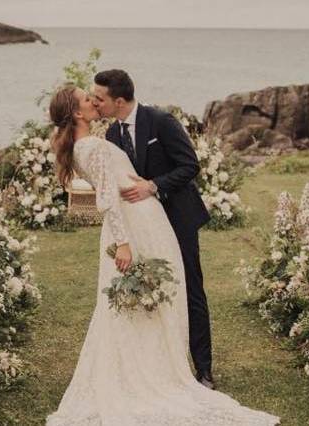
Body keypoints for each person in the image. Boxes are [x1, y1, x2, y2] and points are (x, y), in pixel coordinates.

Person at [44, 84, 279, 426]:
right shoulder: (92, 145)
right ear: (78, 113)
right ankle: (152, 374)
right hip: (135, 227)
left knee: (151, 299)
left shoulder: (90, 144)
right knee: (145, 299)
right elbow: (107, 198)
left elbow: (123, 180)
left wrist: (145, 184)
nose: (93, 102)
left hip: (143, 221)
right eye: (86, 99)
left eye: (96, 97)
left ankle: (161, 366)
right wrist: (123, 243)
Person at [92, 69, 214, 388]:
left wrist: (154, 186)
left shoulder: (161, 122)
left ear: (119, 101)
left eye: (99, 98)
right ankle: (162, 365)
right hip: (144, 226)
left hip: (178, 217)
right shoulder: (111, 136)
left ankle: (204, 369)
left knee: (189, 288)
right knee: (152, 288)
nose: (95, 103)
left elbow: (190, 166)